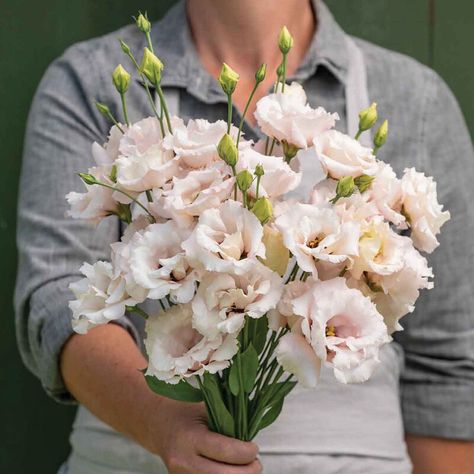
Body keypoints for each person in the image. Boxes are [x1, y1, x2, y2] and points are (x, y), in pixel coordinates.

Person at [15, 0, 474, 473]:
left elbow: (446, 371)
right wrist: (160, 422)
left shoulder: (415, 98)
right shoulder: (91, 79)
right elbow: (60, 303)